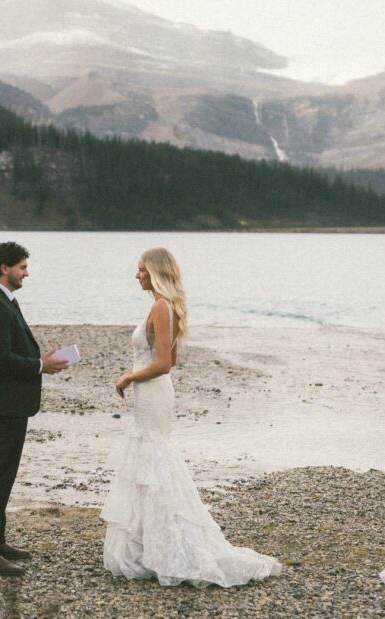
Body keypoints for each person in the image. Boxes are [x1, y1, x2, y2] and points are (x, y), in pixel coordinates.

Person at [101, 247, 282, 587]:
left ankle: (169, 543)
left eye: (141, 269)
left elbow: (165, 363)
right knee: (148, 458)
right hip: (152, 393)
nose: (136, 275)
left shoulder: (160, 307)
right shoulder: (162, 307)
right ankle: (148, 540)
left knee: (155, 456)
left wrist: (129, 376)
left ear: (155, 271)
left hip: (152, 391)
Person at [0, 241, 68, 577]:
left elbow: (11, 350)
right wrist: (40, 365)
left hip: (9, 402)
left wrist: (41, 359)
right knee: (0, 472)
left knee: (5, 471)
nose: (27, 273)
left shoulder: (2, 300)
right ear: (4, 268)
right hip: (5, 403)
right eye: (22, 267)